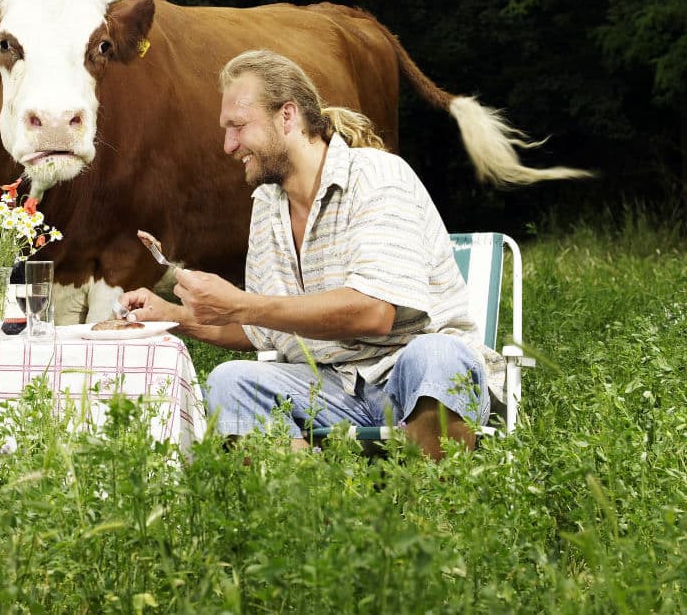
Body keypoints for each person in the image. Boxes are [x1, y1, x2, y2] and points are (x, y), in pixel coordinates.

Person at [119, 49, 505, 459]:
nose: (228, 145)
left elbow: (375, 313)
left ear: (288, 116)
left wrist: (242, 304)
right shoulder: (267, 204)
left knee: (438, 354)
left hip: (413, 382)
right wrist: (175, 316)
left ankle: (432, 508)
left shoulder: (376, 176)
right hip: (330, 388)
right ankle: (320, 510)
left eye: (238, 126)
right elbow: (264, 329)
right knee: (228, 382)